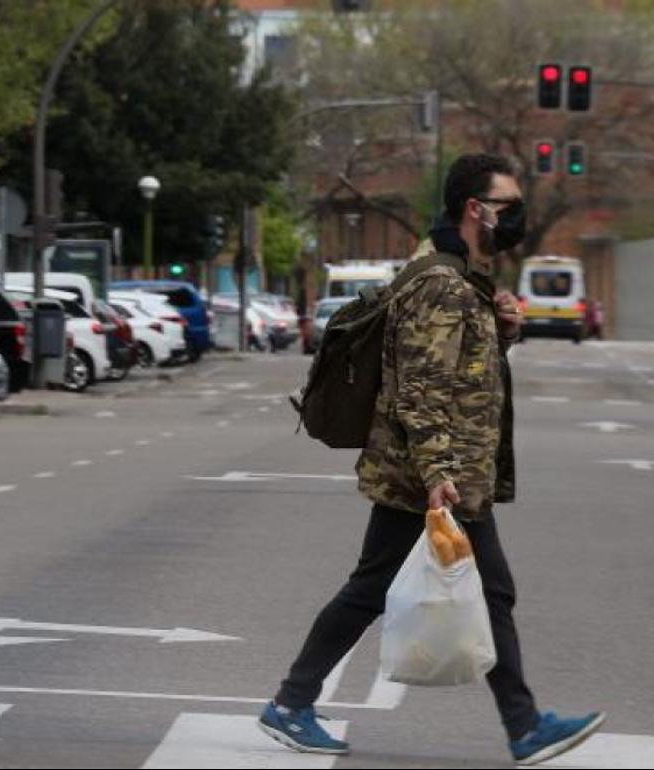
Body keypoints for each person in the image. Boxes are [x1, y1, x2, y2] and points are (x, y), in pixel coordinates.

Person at [258, 154, 605, 765]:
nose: (517, 217)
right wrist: (438, 475)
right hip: (428, 476)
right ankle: (292, 703)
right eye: (508, 205)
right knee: (380, 589)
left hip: (447, 473)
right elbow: (421, 388)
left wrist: (501, 330)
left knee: (481, 591)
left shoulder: (458, 277)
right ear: (476, 209)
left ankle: (522, 726)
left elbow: (462, 372)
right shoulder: (442, 284)